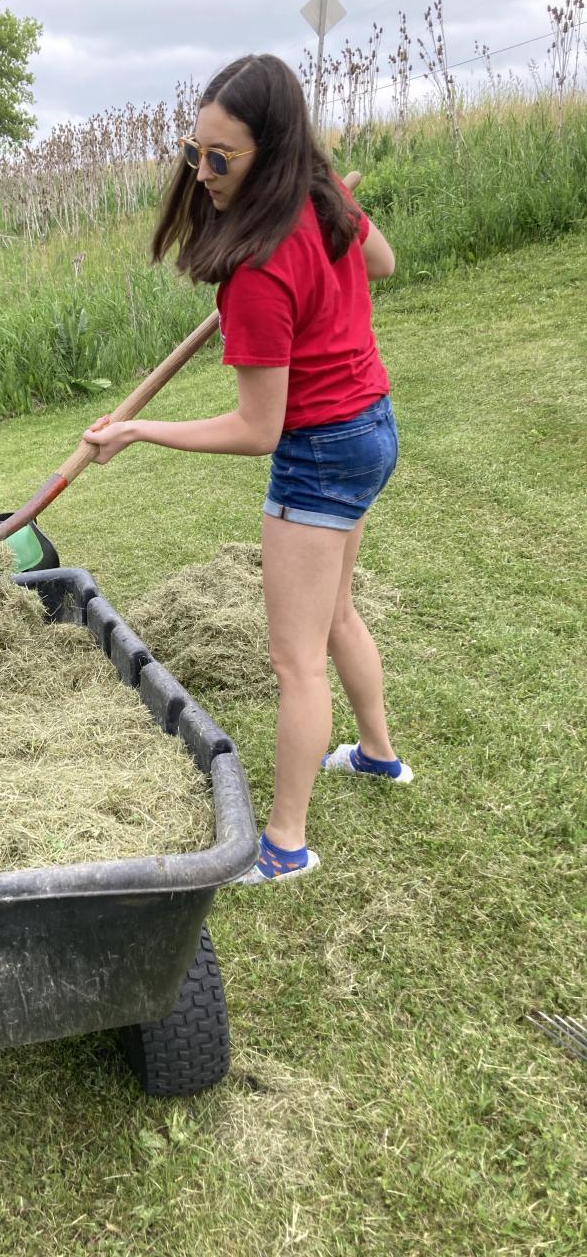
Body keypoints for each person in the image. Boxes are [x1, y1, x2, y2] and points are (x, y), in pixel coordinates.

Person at [82, 53, 412, 884]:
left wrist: (140, 429)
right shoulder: (323, 200)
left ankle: (285, 845)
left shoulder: (258, 271)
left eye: (220, 158)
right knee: (337, 613)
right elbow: (380, 262)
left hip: (321, 453)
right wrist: (327, 219)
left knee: (295, 662)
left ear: (271, 153)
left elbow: (259, 429)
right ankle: (378, 754)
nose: (201, 172)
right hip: (371, 430)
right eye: (193, 151)